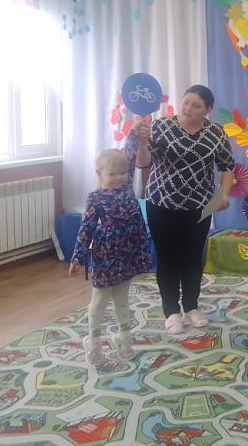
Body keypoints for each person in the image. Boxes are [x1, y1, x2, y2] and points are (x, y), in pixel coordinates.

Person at [131, 85, 235, 335]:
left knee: (192, 258)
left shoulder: (216, 133)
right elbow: (142, 163)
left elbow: (227, 166)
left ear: (207, 110)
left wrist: (223, 194)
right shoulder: (160, 127)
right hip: (161, 202)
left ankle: (191, 307)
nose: (188, 108)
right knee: (168, 259)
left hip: (200, 205)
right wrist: (142, 143)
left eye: (196, 105)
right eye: (186, 102)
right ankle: (171, 311)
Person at [70, 147, 151, 364]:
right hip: (106, 257)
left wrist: (135, 134)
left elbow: (131, 155)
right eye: (112, 173)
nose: (119, 177)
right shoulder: (95, 197)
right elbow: (86, 227)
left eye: (122, 172)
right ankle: (94, 344)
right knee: (100, 300)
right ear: (99, 174)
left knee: (122, 299)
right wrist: (78, 257)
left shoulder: (127, 189)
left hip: (128, 255)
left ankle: (125, 341)